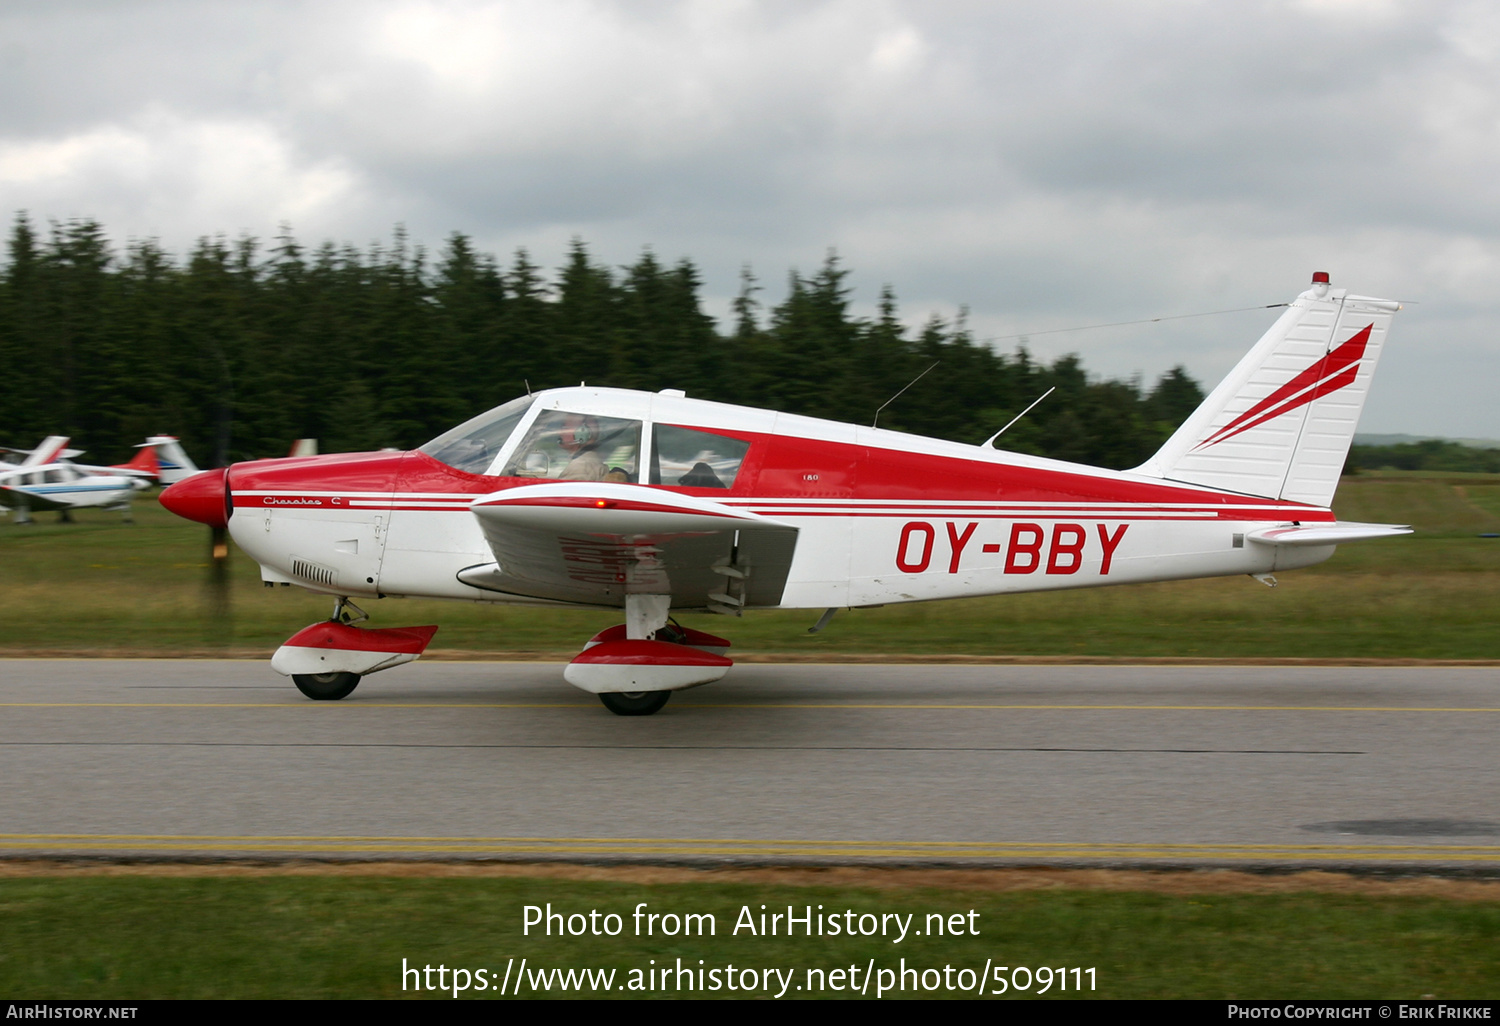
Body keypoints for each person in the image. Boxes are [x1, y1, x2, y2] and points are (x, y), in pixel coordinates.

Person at [558, 414, 605, 481]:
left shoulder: (580, 467)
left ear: (581, 434)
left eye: (565, 428)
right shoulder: (588, 461)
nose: (560, 433)